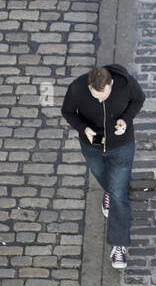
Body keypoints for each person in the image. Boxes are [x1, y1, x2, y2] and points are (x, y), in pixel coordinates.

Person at [61, 65, 145, 269]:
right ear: (89, 85)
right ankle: (109, 189)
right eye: (94, 95)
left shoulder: (125, 84)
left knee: (118, 195)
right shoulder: (77, 88)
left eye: (103, 95)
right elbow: (68, 111)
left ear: (111, 84)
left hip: (121, 144)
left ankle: (119, 245)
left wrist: (125, 120)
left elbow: (138, 99)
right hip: (93, 143)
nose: (99, 100)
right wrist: (84, 129)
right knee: (98, 172)